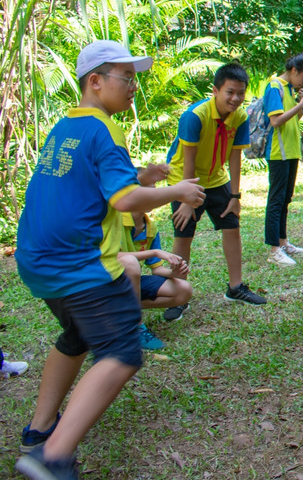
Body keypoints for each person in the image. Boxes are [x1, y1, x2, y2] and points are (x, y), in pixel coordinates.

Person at [14, 40, 205, 479]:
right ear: (96, 82)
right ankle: (52, 459)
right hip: (78, 263)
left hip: (37, 261)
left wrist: (143, 176)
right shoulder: (104, 127)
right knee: (120, 350)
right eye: (126, 76)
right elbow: (123, 200)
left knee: (78, 336)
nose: (134, 85)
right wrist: (176, 190)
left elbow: (92, 182)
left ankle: (40, 430)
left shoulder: (67, 125)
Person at [165, 62, 266, 320]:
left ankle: (236, 287)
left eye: (240, 93)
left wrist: (235, 196)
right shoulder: (195, 116)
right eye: (229, 92)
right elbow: (189, 159)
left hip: (217, 179)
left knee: (232, 228)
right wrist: (187, 199)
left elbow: (235, 156)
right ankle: (178, 294)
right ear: (215, 91)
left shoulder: (240, 116)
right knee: (184, 234)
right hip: (185, 179)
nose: (235, 98)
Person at [262, 52, 303, 267]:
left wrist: (302, 105)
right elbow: (276, 121)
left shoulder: (289, 89)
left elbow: (292, 119)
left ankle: (283, 242)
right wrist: (301, 103)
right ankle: (274, 249)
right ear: (294, 70)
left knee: (285, 199)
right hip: (278, 153)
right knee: (276, 200)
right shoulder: (274, 87)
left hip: (292, 151)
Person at [117, 184, 193, 351]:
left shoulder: (150, 227)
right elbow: (109, 257)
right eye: (148, 191)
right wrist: (155, 252)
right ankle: (134, 327)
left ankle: (121, 309)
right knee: (130, 263)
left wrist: (174, 272)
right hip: (102, 283)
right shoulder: (114, 220)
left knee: (183, 289)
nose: (154, 195)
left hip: (128, 284)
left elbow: (156, 269)